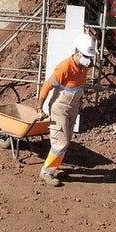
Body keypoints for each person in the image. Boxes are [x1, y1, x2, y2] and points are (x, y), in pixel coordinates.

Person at [37, 33, 96, 186]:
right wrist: (39, 108)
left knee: (66, 140)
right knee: (60, 141)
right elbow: (46, 87)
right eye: (86, 56)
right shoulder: (64, 67)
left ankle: (54, 167)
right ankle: (46, 171)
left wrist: (79, 105)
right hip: (60, 108)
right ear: (77, 53)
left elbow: (79, 88)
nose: (89, 60)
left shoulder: (83, 67)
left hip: (73, 107)